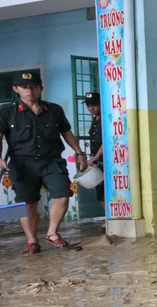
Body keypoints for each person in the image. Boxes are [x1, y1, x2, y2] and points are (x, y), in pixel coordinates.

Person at [0, 71, 89, 255]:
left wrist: (79, 152)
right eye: (24, 87)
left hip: (51, 160)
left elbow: (66, 132)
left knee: (63, 194)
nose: (29, 91)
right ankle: (32, 241)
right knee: (27, 204)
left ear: (40, 88)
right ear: (16, 89)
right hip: (22, 164)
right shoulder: (7, 112)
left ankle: (52, 233)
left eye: (33, 87)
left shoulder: (54, 110)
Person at [84, 92, 105, 204]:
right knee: (100, 194)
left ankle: (112, 220)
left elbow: (107, 140)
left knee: (106, 192)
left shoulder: (106, 119)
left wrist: (96, 157)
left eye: (94, 105)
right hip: (97, 162)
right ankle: (108, 219)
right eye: (88, 105)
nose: (91, 108)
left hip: (106, 161)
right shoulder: (95, 120)